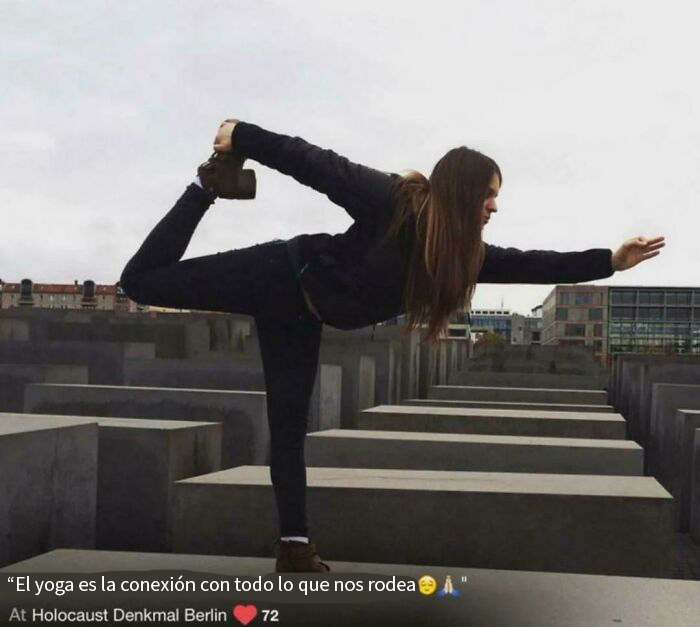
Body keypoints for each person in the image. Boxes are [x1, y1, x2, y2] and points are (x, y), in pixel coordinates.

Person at [119, 118, 665, 573]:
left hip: (301, 317)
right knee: (141, 283)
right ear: (465, 190)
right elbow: (314, 162)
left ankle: (293, 545)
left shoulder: (461, 254)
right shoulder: (393, 201)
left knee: (289, 424)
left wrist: (609, 262)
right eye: (490, 195)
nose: (494, 207)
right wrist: (243, 136)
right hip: (278, 273)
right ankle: (205, 189)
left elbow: (531, 263)